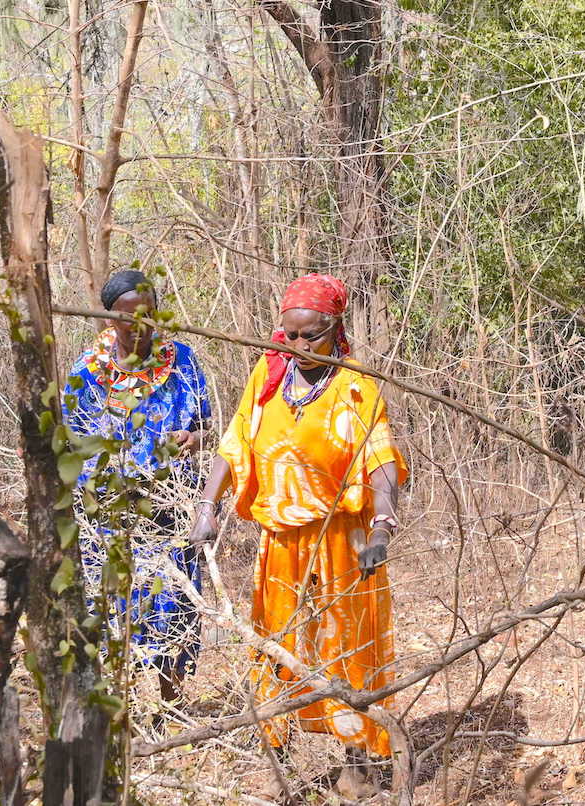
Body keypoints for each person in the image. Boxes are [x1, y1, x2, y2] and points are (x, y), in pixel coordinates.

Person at [190, 273, 406, 800]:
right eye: (292, 335)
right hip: (280, 541)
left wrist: (381, 526)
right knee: (276, 644)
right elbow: (236, 439)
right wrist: (208, 505)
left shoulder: (356, 385)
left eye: (313, 335)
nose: (302, 347)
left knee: (349, 646)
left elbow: (379, 457)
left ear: (336, 328)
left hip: (342, 539)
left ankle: (357, 761)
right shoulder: (268, 372)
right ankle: (278, 757)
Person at [63, 268, 214, 704]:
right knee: (114, 607)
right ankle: (119, 707)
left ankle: (172, 704)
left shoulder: (181, 361)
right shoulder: (87, 372)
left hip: (171, 506)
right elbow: (72, 441)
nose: (142, 326)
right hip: (110, 514)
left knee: (174, 605)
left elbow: (206, 425)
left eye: (150, 315)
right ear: (109, 319)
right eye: (130, 318)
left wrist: (192, 439)